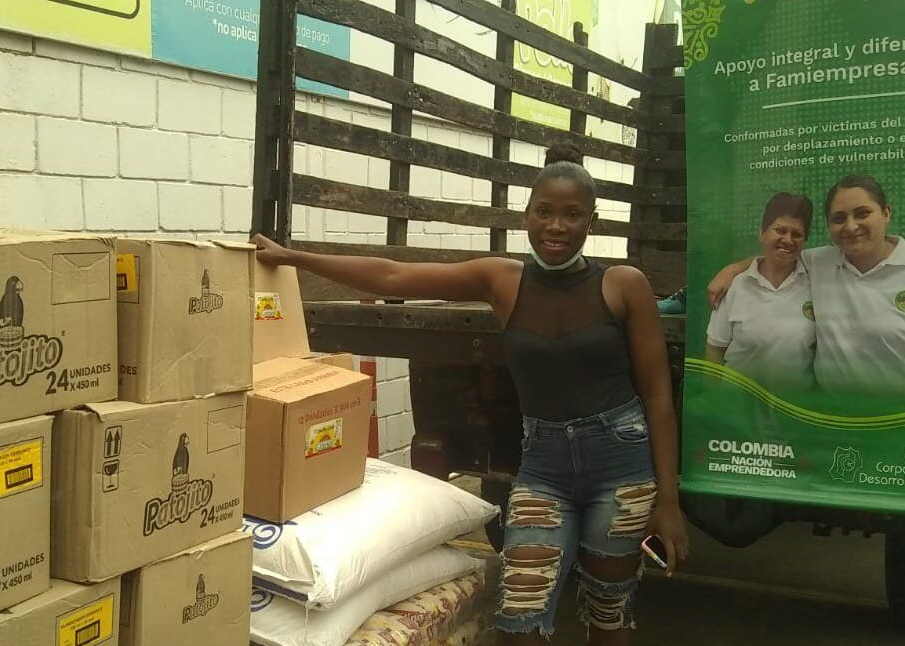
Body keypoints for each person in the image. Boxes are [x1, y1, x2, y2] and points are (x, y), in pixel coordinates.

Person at [252, 143, 690, 645]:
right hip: (545, 471)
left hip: (620, 467)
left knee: (608, 611)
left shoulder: (624, 285)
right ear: (527, 215)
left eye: (572, 215)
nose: (556, 226)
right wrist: (293, 257)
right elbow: (393, 275)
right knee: (519, 616)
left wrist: (669, 501)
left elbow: (658, 397)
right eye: (544, 212)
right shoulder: (502, 280)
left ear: (592, 222)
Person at [708, 175, 905, 400]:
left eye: (862, 213)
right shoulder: (819, 263)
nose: (851, 226)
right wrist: (732, 270)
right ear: (829, 226)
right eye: (839, 218)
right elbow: (777, 255)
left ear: (886, 213)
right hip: (832, 425)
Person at [705, 192, 816, 393]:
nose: (788, 240)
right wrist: (714, 400)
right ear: (762, 233)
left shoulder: (815, 283)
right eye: (780, 230)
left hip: (793, 406)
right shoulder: (736, 285)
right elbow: (714, 349)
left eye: (797, 234)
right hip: (738, 403)